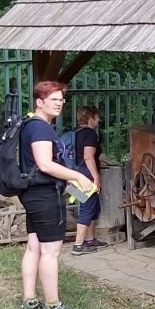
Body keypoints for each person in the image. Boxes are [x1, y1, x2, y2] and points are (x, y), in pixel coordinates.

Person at [18, 80, 95, 309]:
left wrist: (70, 180)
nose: (59, 104)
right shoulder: (40, 128)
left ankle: (29, 302)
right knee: (50, 252)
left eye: (61, 99)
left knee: (34, 247)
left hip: (33, 193)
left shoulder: (30, 125)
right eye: (53, 99)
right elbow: (44, 164)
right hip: (44, 196)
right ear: (39, 102)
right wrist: (77, 176)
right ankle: (52, 306)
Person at [68, 105, 106, 255]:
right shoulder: (89, 134)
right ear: (90, 118)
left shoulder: (75, 132)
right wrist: (96, 177)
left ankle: (90, 240)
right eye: (97, 117)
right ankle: (78, 245)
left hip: (73, 174)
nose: (99, 120)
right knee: (87, 207)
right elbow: (88, 157)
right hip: (85, 176)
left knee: (93, 206)